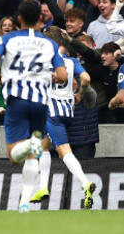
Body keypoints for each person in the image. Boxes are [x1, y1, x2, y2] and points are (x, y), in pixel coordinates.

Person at [0, 0, 67, 213]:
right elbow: (62, 75)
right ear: (40, 19)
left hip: (17, 100)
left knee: (14, 154)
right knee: (33, 155)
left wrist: (0, 76)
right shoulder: (49, 43)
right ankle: (24, 202)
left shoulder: (8, 38)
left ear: (18, 19)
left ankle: (32, 146)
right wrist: (48, 76)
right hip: (40, 102)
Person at [30, 31, 95, 209]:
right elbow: (86, 78)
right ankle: (43, 187)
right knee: (43, 145)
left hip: (51, 111)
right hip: (67, 110)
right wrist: (79, 94)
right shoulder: (71, 61)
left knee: (64, 151)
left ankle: (85, 183)